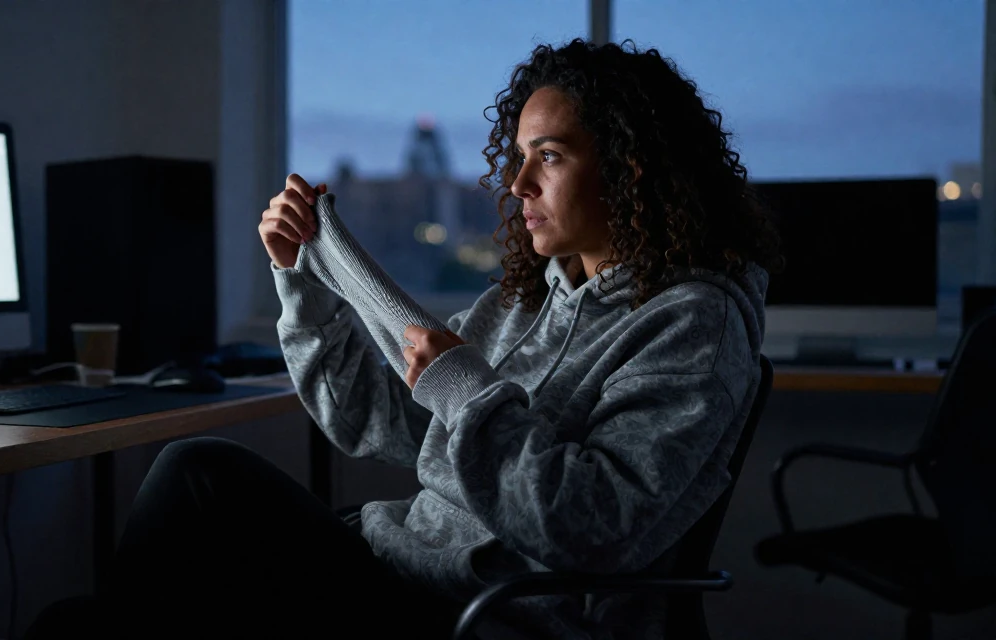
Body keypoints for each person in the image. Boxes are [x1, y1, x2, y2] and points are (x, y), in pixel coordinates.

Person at [105, 38, 783, 639]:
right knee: (181, 526)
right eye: (518, 158)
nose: (518, 184)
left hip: (478, 609)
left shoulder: (694, 322)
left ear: (631, 168)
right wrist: (303, 288)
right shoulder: (518, 303)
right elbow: (381, 425)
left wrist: (467, 390)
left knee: (197, 480)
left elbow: (594, 524)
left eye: (548, 157)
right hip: (396, 566)